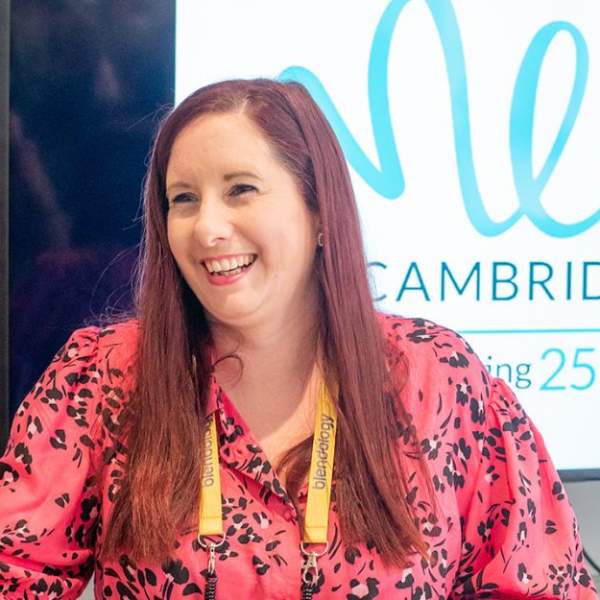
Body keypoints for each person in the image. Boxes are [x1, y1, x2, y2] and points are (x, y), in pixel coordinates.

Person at [0, 79, 597, 600]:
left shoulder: (438, 378)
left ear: (318, 213)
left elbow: (542, 585)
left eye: (241, 190)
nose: (207, 226)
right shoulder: (102, 378)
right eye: (183, 199)